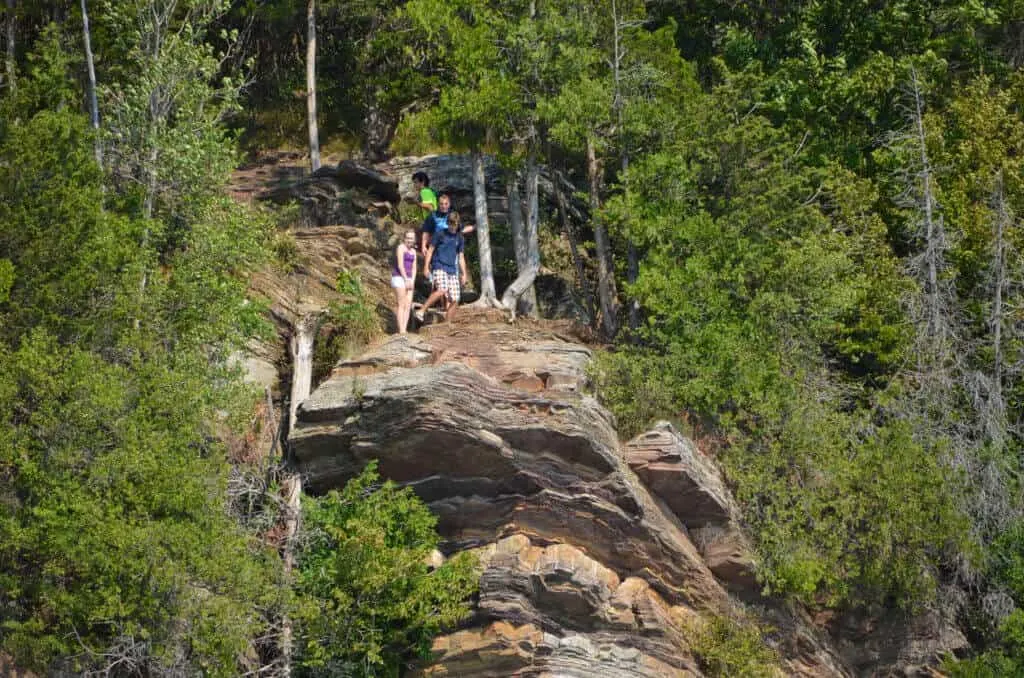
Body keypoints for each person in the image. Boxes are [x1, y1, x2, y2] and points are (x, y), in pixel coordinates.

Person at [417, 211, 468, 323]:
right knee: (442, 289)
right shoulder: (440, 234)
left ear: (458, 224)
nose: (452, 226)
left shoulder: (460, 238)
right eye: (450, 223)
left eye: (454, 224)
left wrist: (464, 274)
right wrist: (426, 267)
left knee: (455, 299)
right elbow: (430, 251)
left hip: (452, 269)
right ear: (447, 223)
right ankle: (421, 310)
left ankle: (447, 324)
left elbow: (461, 257)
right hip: (439, 265)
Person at [391, 230, 418, 334]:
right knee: (401, 303)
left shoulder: (414, 252)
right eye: (408, 238)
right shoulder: (401, 248)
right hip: (399, 277)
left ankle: (404, 328)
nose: (410, 240)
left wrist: (412, 281)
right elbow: (400, 265)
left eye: (411, 238)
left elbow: (414, 268)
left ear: (414, 240)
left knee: (408, 304)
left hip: (410, 279)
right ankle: (401, 329)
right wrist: (406, 279)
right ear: (404, 238)